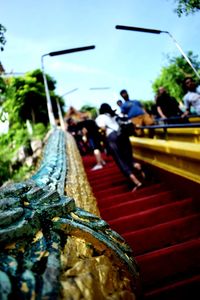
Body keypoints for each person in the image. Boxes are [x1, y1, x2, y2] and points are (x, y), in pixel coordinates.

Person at [95, 103, 144, 191]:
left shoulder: (100, 117)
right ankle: (142, 173)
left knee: (120, 160)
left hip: (112, 137)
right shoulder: (116, 115)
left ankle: (137, 182)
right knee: (129, 157)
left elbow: (102, 129)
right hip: (123, 135)